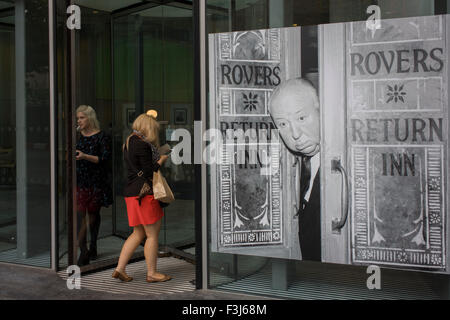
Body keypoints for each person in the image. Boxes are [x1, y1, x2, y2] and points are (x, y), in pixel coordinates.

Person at [112, 111, 171, 283]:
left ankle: (120, 268)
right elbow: (148, 171)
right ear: (148, 127)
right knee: (152, 235)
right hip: (144, 194)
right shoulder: (142, 144)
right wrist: (161, 160)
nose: (155, 133)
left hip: (131, 193)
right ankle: (152, 273)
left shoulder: (128, 142)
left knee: (137, 233)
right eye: (154, 129)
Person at [268, 78, 321, 261]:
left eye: (301, 118)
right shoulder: (292, 166)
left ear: (321, 110)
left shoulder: (343, 168)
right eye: (283, 124)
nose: (295, 134)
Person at [76, 105, 113, 266]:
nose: (79, 121)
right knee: (79, 215)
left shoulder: (102, 136)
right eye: (78, 118)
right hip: (80, 181)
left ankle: (93, 246)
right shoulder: (77, 135)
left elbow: (104, 159)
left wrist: (84, 156)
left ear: (90, 118)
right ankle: (83, 250)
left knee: (93, 215)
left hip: (96, 181)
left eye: (82, 117)